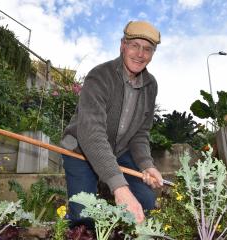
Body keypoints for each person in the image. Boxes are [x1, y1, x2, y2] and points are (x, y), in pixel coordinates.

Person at [60, 20, 163, 226]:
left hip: (119, 150)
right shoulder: (99, 76)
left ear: (152, 54)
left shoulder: (150, 86)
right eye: (135, 45)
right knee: (85, 216)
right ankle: (72, 221)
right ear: (122, 45)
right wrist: (119, 187)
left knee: (146, 202)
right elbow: (91, 134)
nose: (140, 54)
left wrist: (146, 164)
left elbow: (141, 133)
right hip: (80, 148)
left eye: (148, 49)